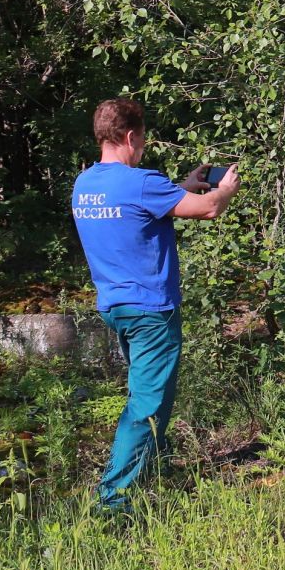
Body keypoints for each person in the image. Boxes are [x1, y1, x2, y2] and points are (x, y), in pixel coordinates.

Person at [70, 97, 239, 513]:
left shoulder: (85, 184)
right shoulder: (141, 181)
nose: (143, 147)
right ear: (130, 137)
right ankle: (112, 501)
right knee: (144, 402)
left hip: (115, 307)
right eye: (142, 139)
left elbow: (135, 210)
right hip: (150, 310)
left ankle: (154, 467)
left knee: (154, 392)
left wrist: (182, 185)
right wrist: (225, 189)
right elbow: (209, 208)